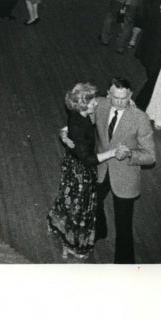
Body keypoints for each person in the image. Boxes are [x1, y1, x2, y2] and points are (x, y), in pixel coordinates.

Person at [47, 83, 118, 260]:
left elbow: (68, 128)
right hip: (81, 172)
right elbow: (88, 159)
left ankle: (58, 226)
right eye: (93, 101)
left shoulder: (77, 114)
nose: (96, 103)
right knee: (79, 207)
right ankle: (72, 244)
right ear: (83, 104)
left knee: (69, 200)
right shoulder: (80, 124)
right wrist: (111, 153)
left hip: (72, 165)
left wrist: (64, 134)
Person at [93, 78, 157, 264]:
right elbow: (82, 115)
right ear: (108, 94)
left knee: (123, 225)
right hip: (102, 168)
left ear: (130, 95)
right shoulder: (99, 104)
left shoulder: (140, 118)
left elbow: (150, 156)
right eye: (115, 97)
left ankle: (124, 265)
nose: (120, 102)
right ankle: (100, 230)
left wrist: (130, 153)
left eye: (124, 98)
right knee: (93, 201)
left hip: (125, 177)